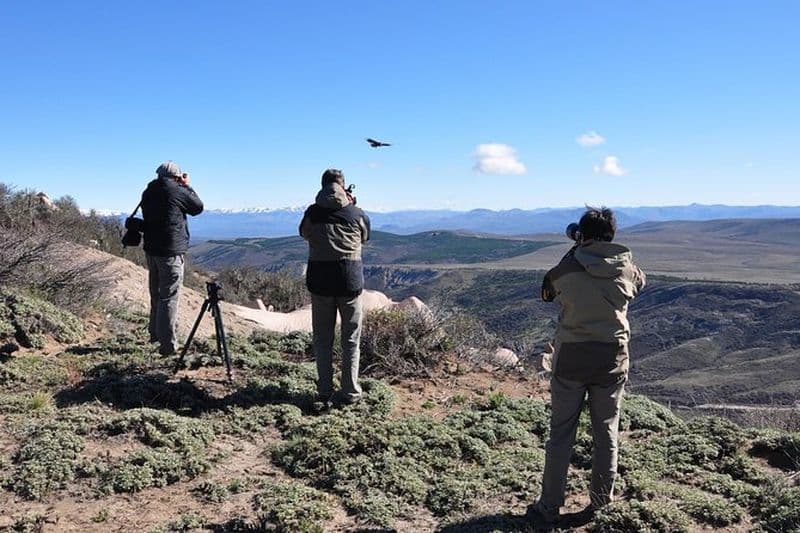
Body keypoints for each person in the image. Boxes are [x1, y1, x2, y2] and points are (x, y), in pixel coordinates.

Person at [529, 207, 645, 527]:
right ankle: (600, 503)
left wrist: (575, 253)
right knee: (606, 432)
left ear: (581, 234)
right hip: (612, 358)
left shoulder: (567, 269)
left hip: (571, 360)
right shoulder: (627, 269)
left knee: (561, 434)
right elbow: (640, 284)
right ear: (611, 236)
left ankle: (549, 506)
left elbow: (546, 292)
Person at [299, 168, 370, 409]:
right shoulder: (356, 213)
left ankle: (324, 391)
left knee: (322, 340)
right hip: (349, 282)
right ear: (343, 186)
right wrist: (350, 206)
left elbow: (303, 233)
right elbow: (365, 237)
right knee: (350, 340)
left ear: (322, 186)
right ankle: (350, 391)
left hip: (320, 284)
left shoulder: (312, 213)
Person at [141, 161, 204, 355]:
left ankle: (155, 336)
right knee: (169, 297)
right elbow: (197, 207)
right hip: (170, 252)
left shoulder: (148, 192)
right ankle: (167, 345)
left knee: (156, 294)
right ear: (176, 177)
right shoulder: (176, 191)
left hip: (152, 249)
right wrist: (187, 186)